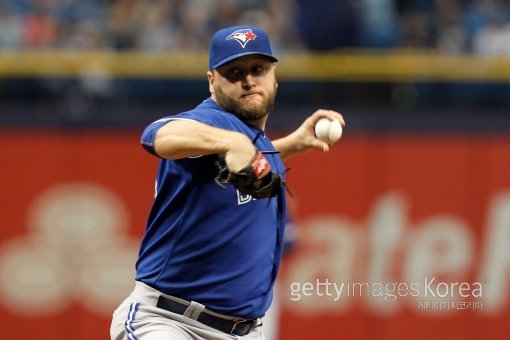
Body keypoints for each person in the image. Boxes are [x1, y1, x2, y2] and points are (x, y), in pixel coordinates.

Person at [110, 25, 344, 340]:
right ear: (212, 82)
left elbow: (242, 160)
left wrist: (287, 146)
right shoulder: (214, 121)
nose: (248, 80)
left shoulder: (255, 143)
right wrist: (232, 142)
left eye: (258, 69)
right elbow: (158, 135)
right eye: (234, 72)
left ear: (274, 76)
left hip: (244, 332)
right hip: (170, 322)